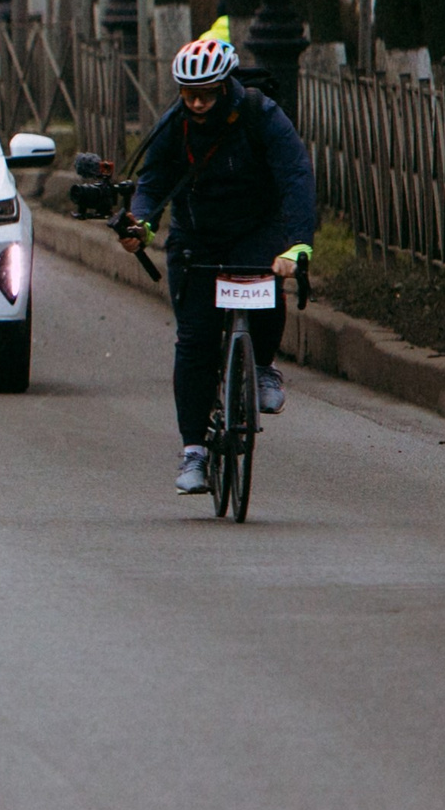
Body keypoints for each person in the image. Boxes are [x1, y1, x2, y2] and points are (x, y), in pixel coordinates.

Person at [117, 38, 317, 496]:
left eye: (207, 91)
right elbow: (153, 180)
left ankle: (263, 367)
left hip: (255, 228)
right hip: (196, 235)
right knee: (195, 340)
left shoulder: (261, 115)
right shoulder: (177, 123)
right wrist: (142, 225)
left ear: (225, 84)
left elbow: (295, 176)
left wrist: (298, 246)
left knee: (267, 283)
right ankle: (194, 452)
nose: (198, 102)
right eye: (189, 94)